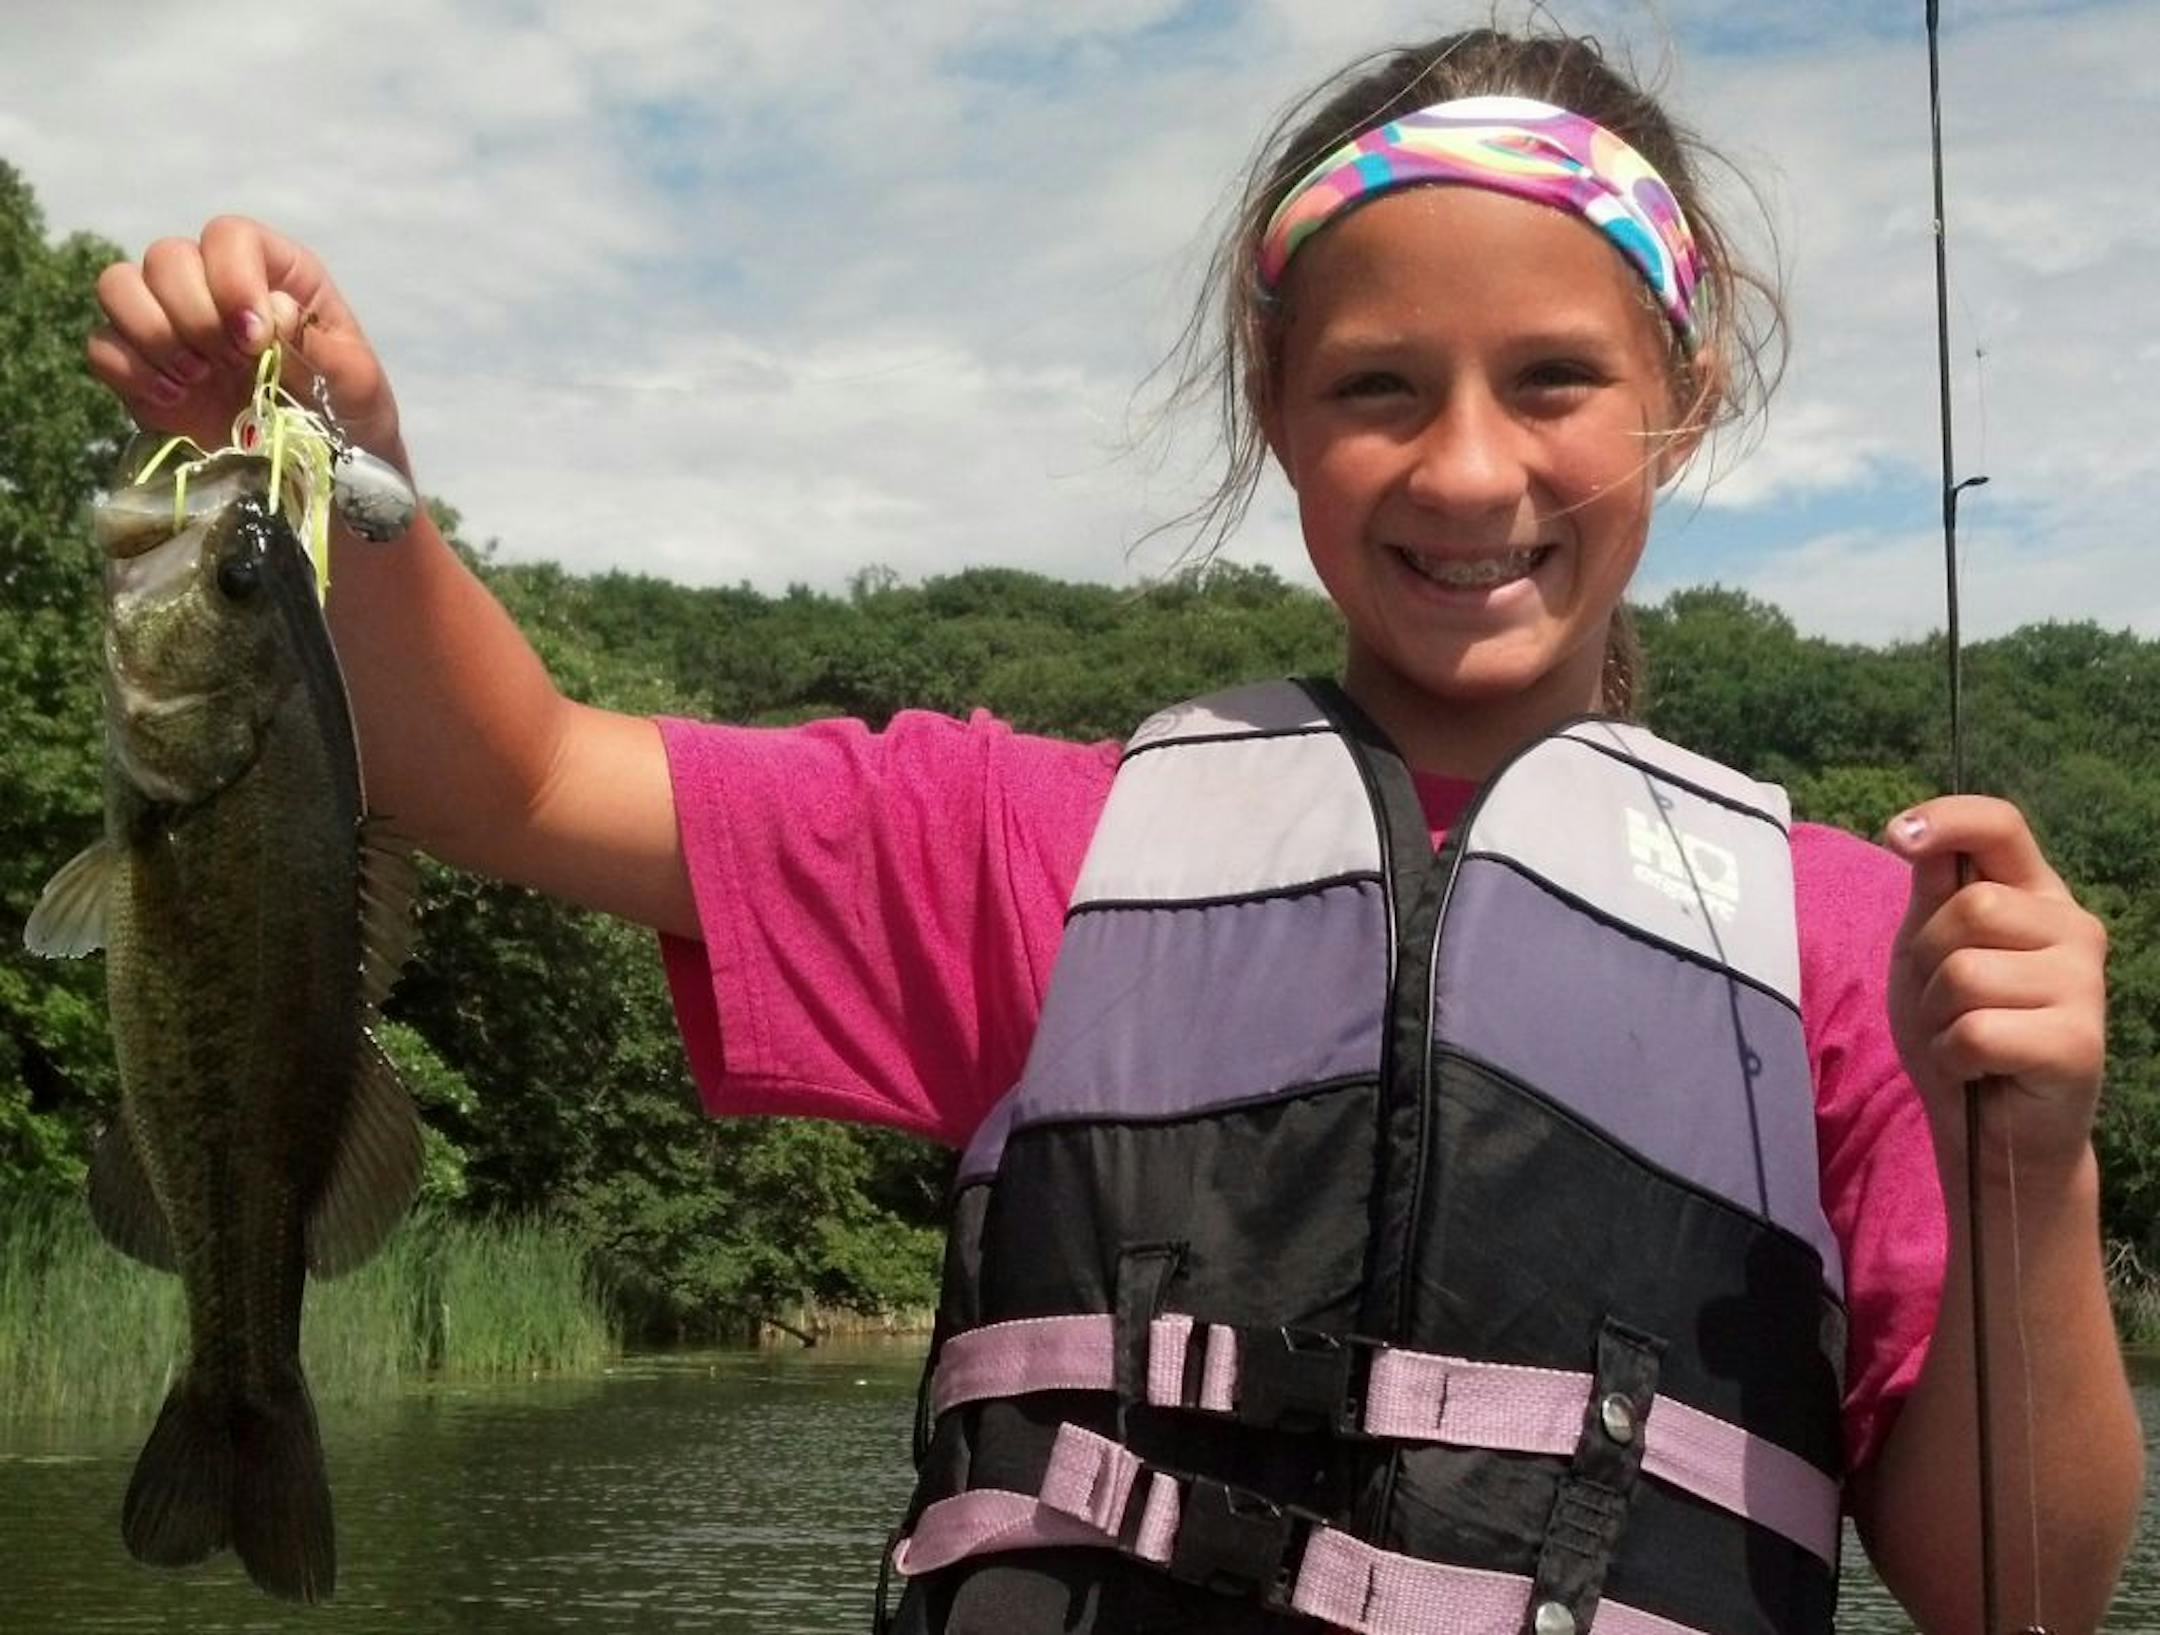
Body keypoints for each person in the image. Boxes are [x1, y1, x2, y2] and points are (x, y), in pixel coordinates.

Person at [85, 22, 2138, 1634]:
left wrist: (2036, 1158)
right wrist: (340, 470)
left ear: (1684, 397)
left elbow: (2007, 1585)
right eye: (1377, 386)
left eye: (1555, 378)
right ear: (1274, 404)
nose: (1468, 465)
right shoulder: (1022, 847)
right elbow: (517, 777)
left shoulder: (1860, 942)